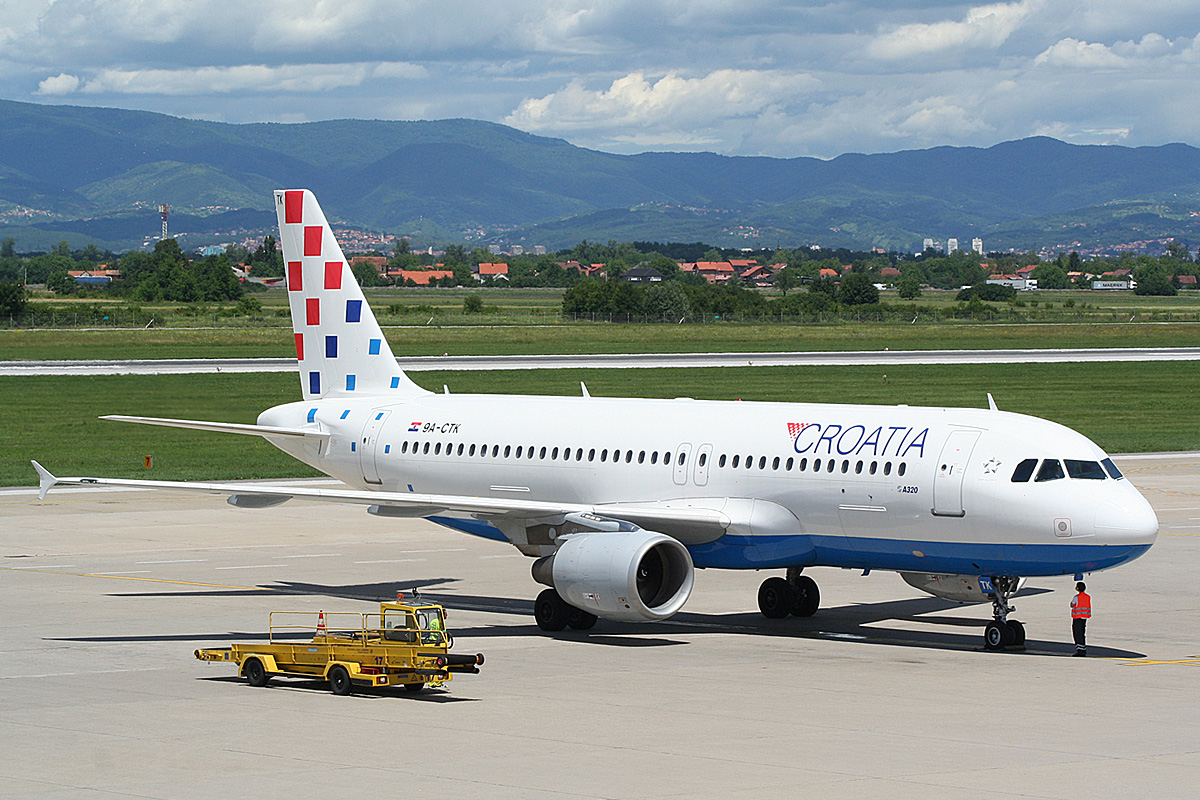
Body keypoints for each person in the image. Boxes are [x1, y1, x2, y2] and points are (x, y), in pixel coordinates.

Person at [1071, 581, 1091, 657]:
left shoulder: (1076, 597)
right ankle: (1083, 649)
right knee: (1082, 634)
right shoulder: (1088, 596)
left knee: (1077, 634)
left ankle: (1080, 650)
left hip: (1077, 617)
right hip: (1084, 617)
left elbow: (1072, 604)